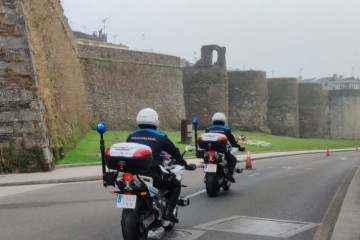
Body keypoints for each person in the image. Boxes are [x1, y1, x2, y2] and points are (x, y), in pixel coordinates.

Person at [126, 108, 196, 223]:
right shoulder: (160, 136)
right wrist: (185, 164)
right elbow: (175, 152)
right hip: (150, 172)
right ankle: (168, 212)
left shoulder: (131, 135)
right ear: (155, 120)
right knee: (175, 184)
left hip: (132, 173)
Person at [205, 112, 245, 183]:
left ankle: (206, 173)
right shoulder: (226, 129)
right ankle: (229, 175)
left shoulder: (208, 129)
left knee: (206, 160)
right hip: (222, 151)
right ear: (223, 120)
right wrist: (239, 147)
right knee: (233, 160)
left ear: (213, 120)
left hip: (209, 151)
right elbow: (232, 141)